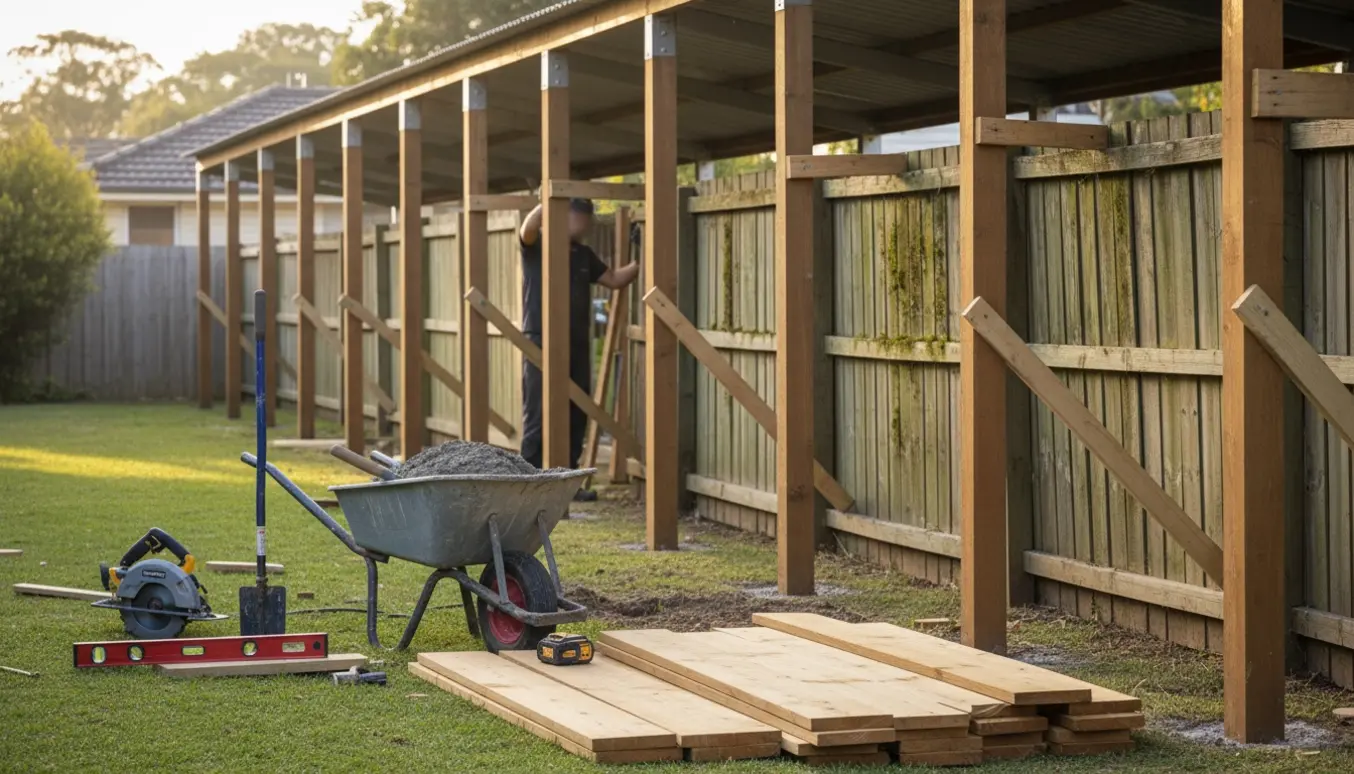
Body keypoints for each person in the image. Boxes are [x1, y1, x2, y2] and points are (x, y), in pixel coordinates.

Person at [518, 197, 639, 497]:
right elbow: (527, 229)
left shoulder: (584, 254)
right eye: (580, 218)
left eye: (588, 219)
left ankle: (567, 485)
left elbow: (614, 279)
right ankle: (526, 484)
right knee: (537, 412)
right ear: (564, 216)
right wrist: (549, 201)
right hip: (540, 341)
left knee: (577, 413)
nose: (586, 225)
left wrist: (642, 256)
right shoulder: (538, 247)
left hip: (577, 344)